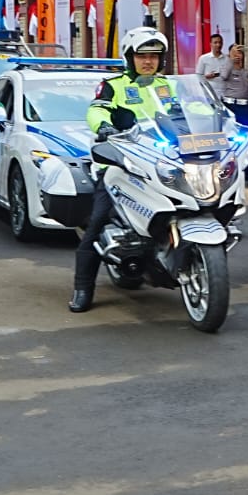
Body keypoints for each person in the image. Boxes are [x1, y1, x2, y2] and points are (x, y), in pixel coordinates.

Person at [70, 28, 176, 313]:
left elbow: (192, 109)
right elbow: (97, 110)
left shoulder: (168, 86)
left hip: (163, 162)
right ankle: (82, 288)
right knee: (97, 222)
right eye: (142, 56)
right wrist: (104, 126)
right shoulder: (113, 85)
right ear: (130, 58)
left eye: (154, 56)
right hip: (121, 164)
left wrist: (220, 117)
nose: (148, 61)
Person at [217, 42, 248, 127]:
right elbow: (224, 76)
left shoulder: (245, 72)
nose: (237, 55)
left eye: (239, 53)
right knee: (230, 130)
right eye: (234, 52)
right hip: (230, 106)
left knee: (246, 130)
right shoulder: (225, 67)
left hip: (243, 107)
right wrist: (231, 60)